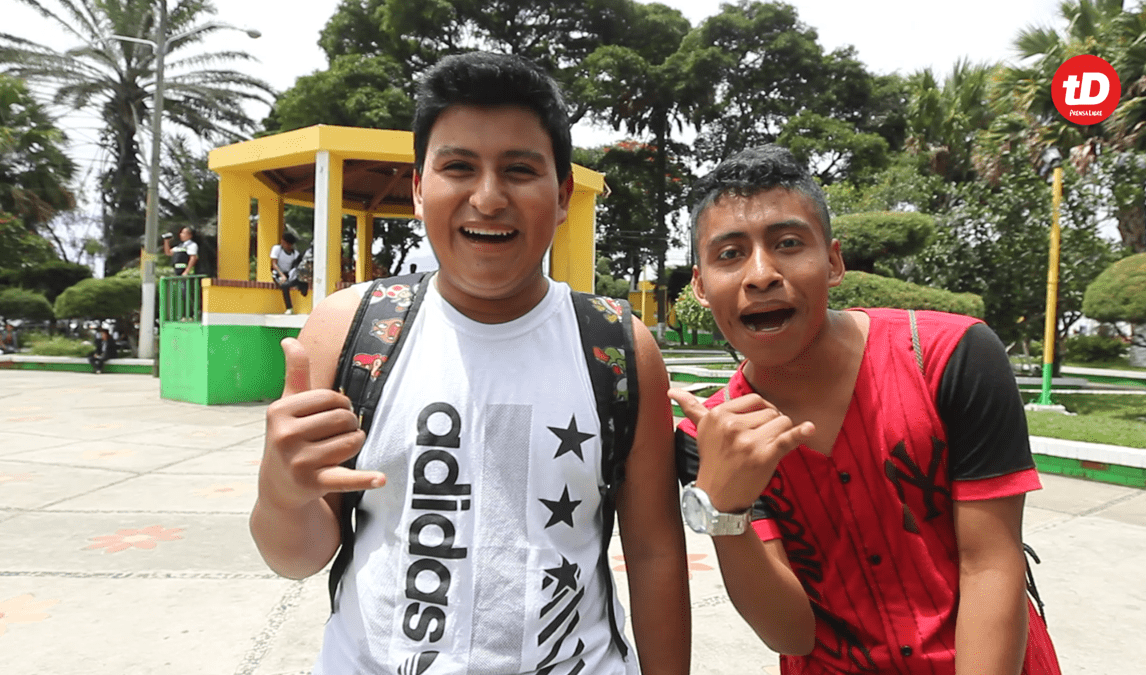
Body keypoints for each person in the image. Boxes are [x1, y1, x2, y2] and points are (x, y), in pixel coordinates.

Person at [251, 52, 689, 675]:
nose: (487, 198)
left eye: (518, 169)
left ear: (562, 195)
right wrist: (282, 494)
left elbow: (653, 554)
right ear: (419, 187)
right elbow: (295, 557)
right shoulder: (348, 329)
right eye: (458, 167)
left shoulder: (617, 346)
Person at [670, 145, 1061, 675]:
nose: (761, 274)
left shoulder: (951, 356)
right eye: (730, 254)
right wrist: (723, 512)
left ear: (833, 262)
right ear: (699, 285)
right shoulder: (715, 433)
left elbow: (990, 563)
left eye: (788, 244)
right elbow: (791, 632)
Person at [270, 232, 307, 314]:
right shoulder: (277, 249)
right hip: (278, 273)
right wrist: (282, 275)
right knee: (284, 285)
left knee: (296, 281)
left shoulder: (295, 254)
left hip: (289, 274)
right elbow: (274, 264)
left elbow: (296, 267)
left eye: (286, 243)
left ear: (290, 244)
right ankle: (289, 308)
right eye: (282, 242)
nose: (283, 244)